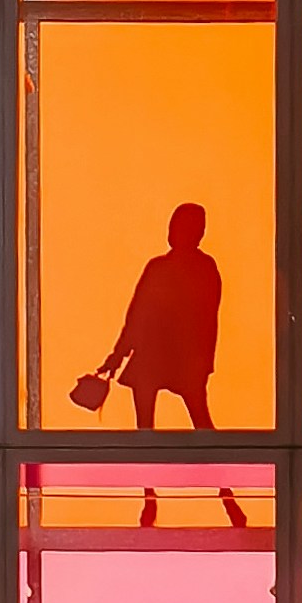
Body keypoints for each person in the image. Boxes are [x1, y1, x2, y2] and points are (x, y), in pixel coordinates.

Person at [90, 205, 248, 528]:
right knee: (159, 431)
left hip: (177, 360)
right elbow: (137, 317)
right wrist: (117, 357)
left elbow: (202, 321)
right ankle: (161, 499)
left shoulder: (199, 269)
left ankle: (223, 497)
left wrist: (199, 363)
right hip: (159, 358)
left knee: (197, 430)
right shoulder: (172, 268)